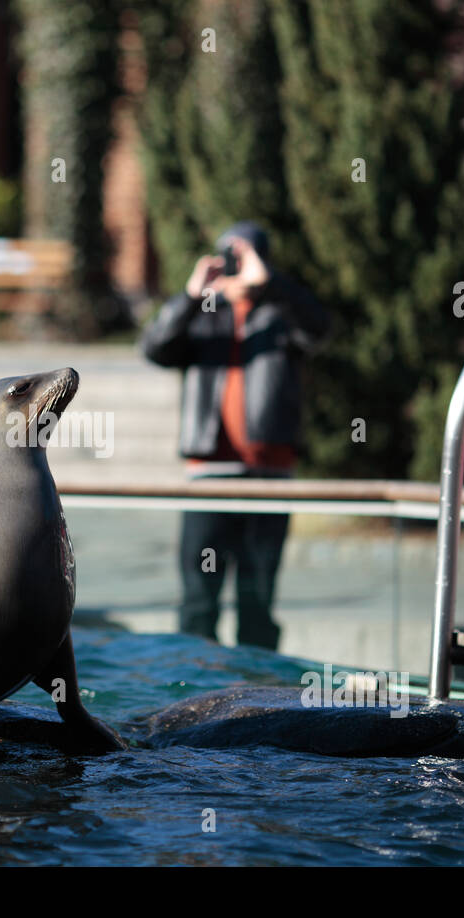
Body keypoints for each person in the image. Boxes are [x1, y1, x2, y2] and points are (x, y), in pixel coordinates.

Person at [140, 221, 329, 649]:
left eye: (244, 257)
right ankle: (191, 694)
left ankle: (258, 697)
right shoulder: (204, 315)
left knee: (258, 598)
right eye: (229, 256)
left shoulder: (283, 315)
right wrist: (191, 296)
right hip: (209, 473)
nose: (235, 266)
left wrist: (271, 284)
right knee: (197, 598)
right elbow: (153, 347)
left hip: (270, 476)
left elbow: (321, 329)